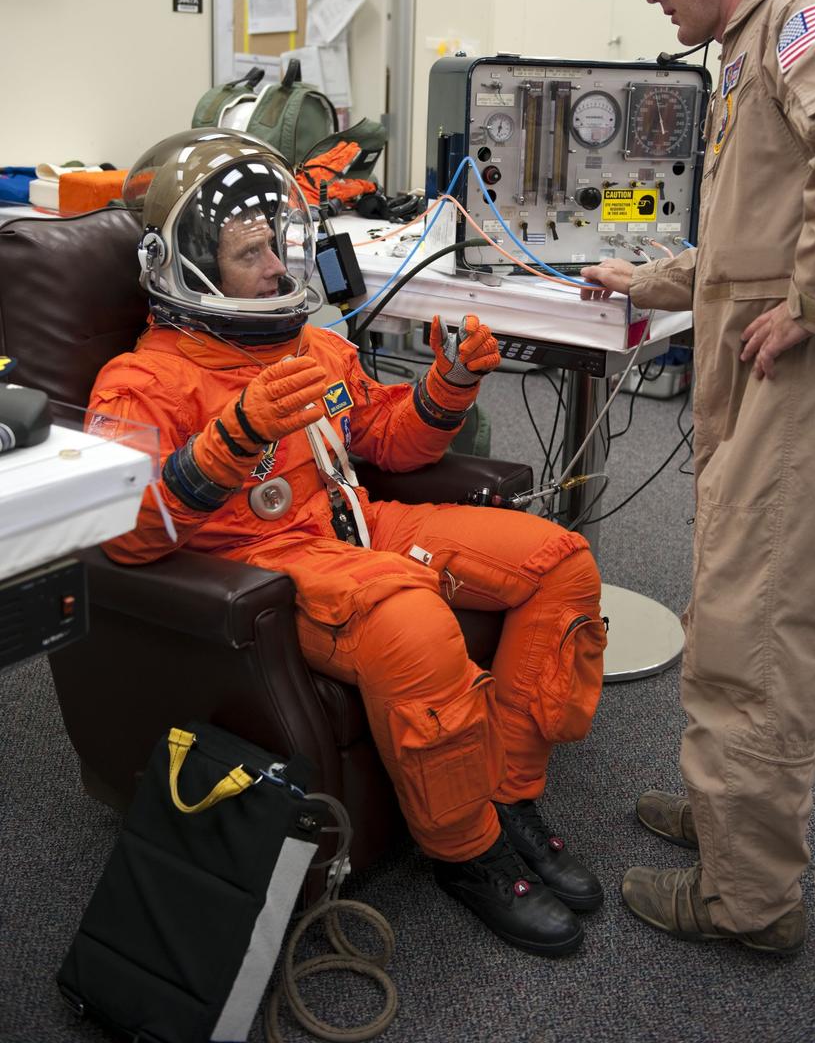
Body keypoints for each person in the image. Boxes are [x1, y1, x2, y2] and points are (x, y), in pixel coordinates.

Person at [90, 128, 608, 958]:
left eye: (279, 245)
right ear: (187, 263)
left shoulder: (314, 344)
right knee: (414, 626)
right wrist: (231, 440)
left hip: (354, 520)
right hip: (265, 565)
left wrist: (447, 385)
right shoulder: (143, 383)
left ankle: (507, 796)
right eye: (248, 253)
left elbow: (393, 444)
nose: (276, 269)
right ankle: (467, 854)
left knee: (560, 561)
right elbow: (123, 536)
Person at [582, 0, 815, 956]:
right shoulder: (752, 48)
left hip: (794, 380)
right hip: (755, 371)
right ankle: (727, 815)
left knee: (757, 626)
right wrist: (647, 280)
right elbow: (757, 238)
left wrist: (814, 304)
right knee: (732, 597)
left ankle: (749, 898)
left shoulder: (806, 18)